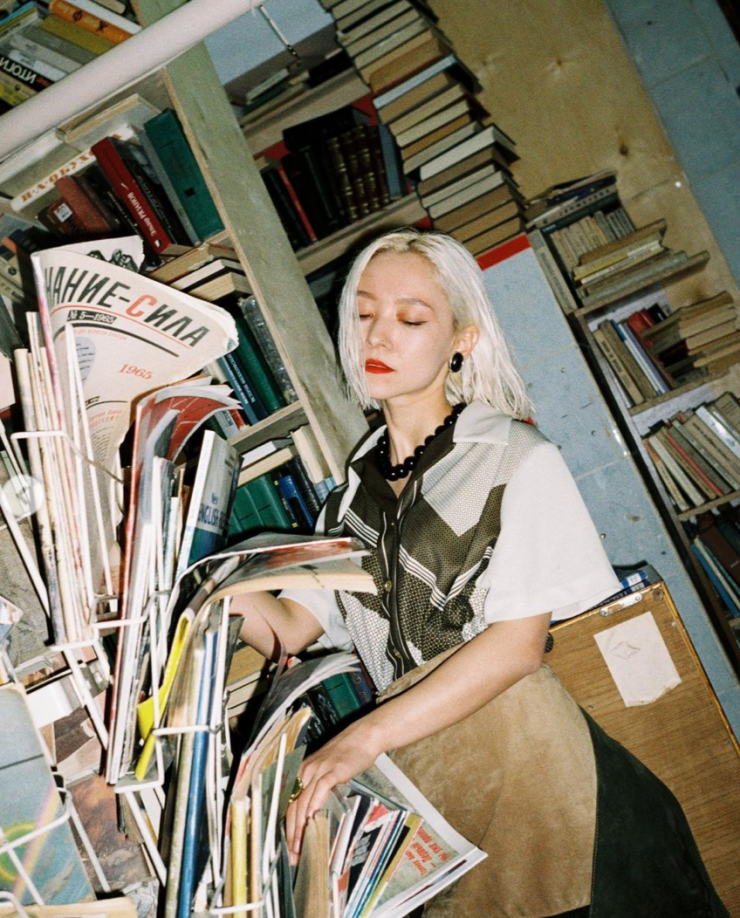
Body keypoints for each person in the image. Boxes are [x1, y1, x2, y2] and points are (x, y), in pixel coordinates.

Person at [234, 229, 728, 918]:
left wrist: (361, 739)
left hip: (552, 792)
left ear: (461, 340)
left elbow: (518, 645)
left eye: (411, 319)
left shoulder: (515, 457)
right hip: (439, 794)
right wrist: (203, 580)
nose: (379, 334)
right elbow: (289, 630)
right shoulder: (346, 504)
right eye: (364, 313)